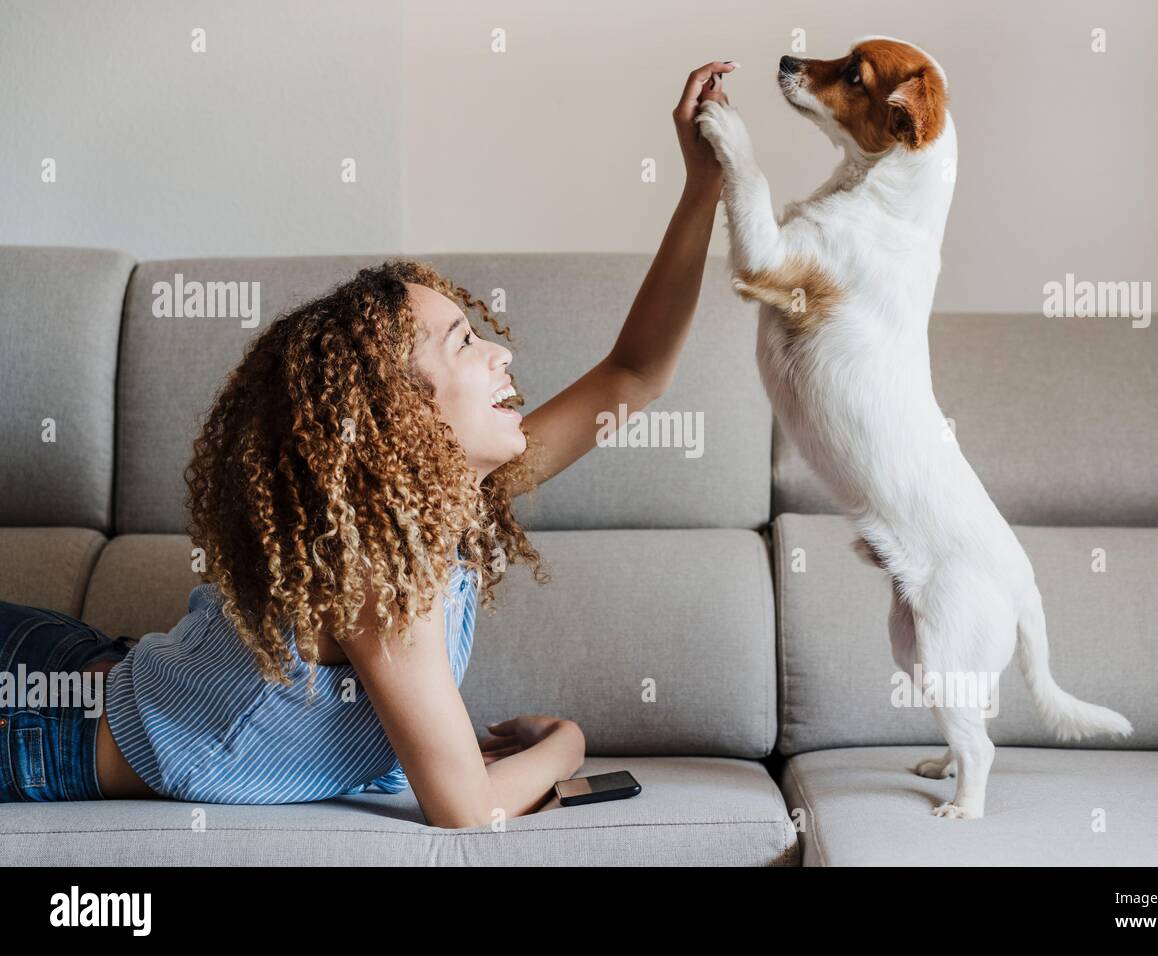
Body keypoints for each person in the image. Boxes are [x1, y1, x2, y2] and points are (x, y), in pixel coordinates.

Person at [0, 61, 738, 828]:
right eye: (462, 344)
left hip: (84, 664)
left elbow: (634, 374)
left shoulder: (438, 503)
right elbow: (465, 808)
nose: (502, 354)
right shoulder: (378, 572)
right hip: (42, 723)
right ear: (400, 416)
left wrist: (701, 188)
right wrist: (568, 741)